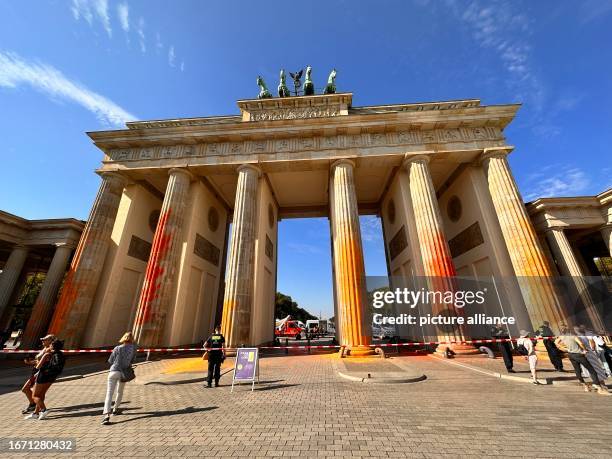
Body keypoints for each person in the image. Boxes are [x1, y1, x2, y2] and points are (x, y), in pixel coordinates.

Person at [555, 327, 610, 395]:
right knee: (593, 370)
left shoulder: (563, 336)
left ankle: (586, 386)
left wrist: (565, 349)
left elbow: (556, 342)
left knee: (578, 370)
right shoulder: (575, 336)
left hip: (572, 354)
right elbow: (582, 343)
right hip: (582, 354)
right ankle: (600, 387)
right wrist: (586, 350)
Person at [102, 332, 137, 425]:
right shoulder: (133, 349)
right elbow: (133, 360)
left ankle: (106, 416)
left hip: (113, 371)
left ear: (123, 338)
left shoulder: (117, 348)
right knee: (120, 391)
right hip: (124, 372)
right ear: (132, 339)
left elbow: (110, 360)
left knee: (109, 394)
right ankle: (115, 409)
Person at [25, 340, 65, 420]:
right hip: (52, 377)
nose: (49, 346)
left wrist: (38, 361)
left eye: (50, 345)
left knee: (35, 396)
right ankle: (36, 413)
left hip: (43, 376)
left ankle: (43, 410)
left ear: (53, 346)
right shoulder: (60, 354)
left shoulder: (47, 354)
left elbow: (38, 367)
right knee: (41, 394)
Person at [21, 334, 55, 415]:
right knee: (33, 391)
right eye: (42, 339)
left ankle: (39, 408)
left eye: (45, 339)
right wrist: (30, 362)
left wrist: (38, 371)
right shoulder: (44, 348)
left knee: (26, 389)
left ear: (51, 341)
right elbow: (38, 361)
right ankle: (35, 407)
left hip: (39, 372)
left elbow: (44, 363)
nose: (42, 341)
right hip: (35, 370)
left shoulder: (49, 350)